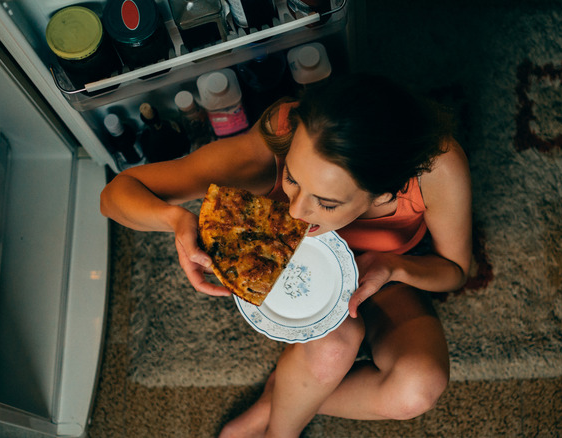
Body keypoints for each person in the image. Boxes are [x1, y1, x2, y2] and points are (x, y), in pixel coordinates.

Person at [100, 72, 472, 437]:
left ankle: (284, 394)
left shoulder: (436, 167)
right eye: (293, 179)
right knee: (333, 344)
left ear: (383, 196)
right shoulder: (276, 140)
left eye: (325, 203)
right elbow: (115, 196)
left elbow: (455, 270)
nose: (296, 212)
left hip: (382, 281)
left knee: (417, 390)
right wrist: (176, 220)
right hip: (283, 274)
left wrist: (393, 266)